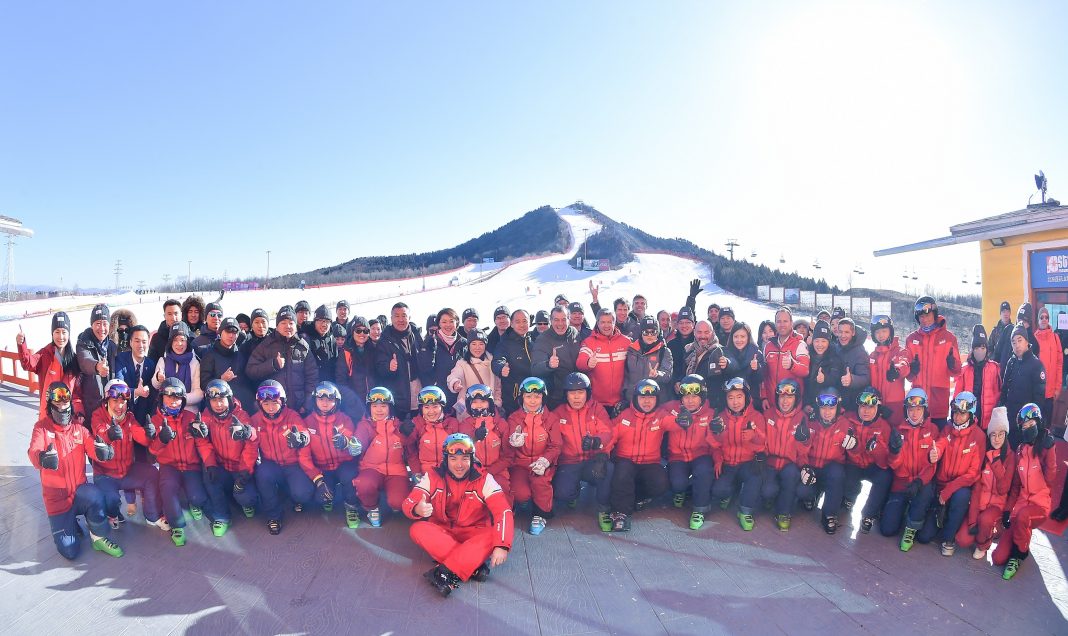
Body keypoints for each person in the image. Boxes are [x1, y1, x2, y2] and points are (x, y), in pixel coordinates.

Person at [404, 433, 513, 597]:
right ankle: (472, 566)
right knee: (417, 529)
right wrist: (417, 509)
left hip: (473, 532)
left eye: (465, 459)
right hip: (443, 531)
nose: (459, 465)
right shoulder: (432, 476)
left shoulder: (485, 479)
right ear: (445, 459)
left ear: (472, 458)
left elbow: (503, 511)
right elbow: (409, 502)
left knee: (495, 536)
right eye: (453, 459)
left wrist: (502, 545)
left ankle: (443, 572)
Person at [28, 382, 124, 559]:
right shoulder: (41, 428)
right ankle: (69, 522)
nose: (62, 408)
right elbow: (33, 452)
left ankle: (98, 537)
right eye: (58, 404)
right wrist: (42, 458)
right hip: (57, 499)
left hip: (79, 491)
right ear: (50, 405)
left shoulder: (79, 430)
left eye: (66, 404)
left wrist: (105, 448)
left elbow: (94, 448)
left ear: (70, 404)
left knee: (95, 495)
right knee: (70, 551)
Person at [992, 404, 1059, 580]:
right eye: (1024, 426)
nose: (1028, 428)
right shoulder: (1020, 451)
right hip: (1021, 507)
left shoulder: (1044, 447)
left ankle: (1019, 554)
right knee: (997, 558)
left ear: (1038, 422)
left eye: (1031, 424)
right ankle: (1022, 539)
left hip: (1039, 506)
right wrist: (1007, 510)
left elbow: (1051, 477)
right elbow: (1015, 486)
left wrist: (1051, 449)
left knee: (1023, 519)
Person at [89, 379, 165, 532]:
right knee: (112, 500)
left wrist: (152, 433)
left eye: (123, 402)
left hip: (127, 471)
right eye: (115, 400)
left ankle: (152, 515)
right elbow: (99, 433)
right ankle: (112, 514)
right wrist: (109, 434)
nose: (119, 406)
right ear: (106, 400)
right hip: (106, 474)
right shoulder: (98, 415)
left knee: (152, 474)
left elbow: (141, 437)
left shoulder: (129, 418)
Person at [916, 391, 986, 555]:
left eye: (962, 413)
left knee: (962, 496)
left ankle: (949, 539)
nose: (957, 417)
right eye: (955, 412)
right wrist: (934, 454)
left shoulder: (979, 437)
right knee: (924, 537)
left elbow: (973, 473)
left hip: (959, 488)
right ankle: (940, 515)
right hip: (941, 486)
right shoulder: (947, 429)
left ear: (970, 414)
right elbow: (940, 444)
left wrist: (948, 491)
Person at [150, 378, 212, 546]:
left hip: (191, 467)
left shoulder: (191, 417)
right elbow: (152, 452)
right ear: (161, 398)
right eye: (168, 397)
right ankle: (176, 525)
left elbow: (203, 444)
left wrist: (210, 464)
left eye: (177, 398)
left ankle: (194, 501)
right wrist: (161, 440)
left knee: (197, 497)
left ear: (183, 400)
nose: (173, 401)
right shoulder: (156, 421)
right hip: (169, 466)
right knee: (168, 488)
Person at [880, 388, 942, 552]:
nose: (914, 414)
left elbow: (931, 465)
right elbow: (894, 465)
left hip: (921, 483)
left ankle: (911, 529)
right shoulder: (898, 430)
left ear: (925, 410)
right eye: (911, 409)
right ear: (906, 410)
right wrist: (893, 453)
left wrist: (919, 481)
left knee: (925, 492)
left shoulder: (933, 430)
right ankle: (902, 509)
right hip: (901, 483)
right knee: (887, 530)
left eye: (919, 409)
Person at [550, 372, 614, 531]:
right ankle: (574, 491)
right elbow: (552, 441)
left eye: (580, 392)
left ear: (588, 393)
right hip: (569, 462)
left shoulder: (596, 409)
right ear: (566, 395)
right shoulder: (558, 413)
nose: (576, 397)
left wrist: (597, 444)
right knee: (562, 493)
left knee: (608, 469)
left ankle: (603, 508)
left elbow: (607, 432)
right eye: (572, 393)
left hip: (592, 460)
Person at [250, 379, 315, 535]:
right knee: (262, 475)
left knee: (303, 494)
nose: (271, 408)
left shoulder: (292, 416)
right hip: (271, 464)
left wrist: (301, 438)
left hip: (293, 465)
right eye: (266, 404)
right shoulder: (256, 419)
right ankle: (273, 516)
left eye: (274, 403)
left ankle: (293, 495)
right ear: (260, 405)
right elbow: (250, 443)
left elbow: (303, 431)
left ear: (282, 402)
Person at [605, 379, 671, 532]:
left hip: (650, 462)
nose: (647, 401)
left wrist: (683, 420)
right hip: (625, 459)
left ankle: (637, 498)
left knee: (661, 483)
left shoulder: (661, 416)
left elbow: (673, 422)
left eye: (651, 398)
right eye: (642, 398)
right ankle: (620, 513)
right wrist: (603, 454)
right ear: (635, 398)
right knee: (622, 474)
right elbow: (610, 436)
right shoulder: (625, 415)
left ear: (657, 399)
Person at [662, 374, 722, 530]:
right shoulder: (671, 408)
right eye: (686, 396)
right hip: (677, 456)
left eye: (695, 396)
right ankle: (681, 490)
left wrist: (717, 437)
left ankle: (699, 509)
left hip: (700, 455)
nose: (690, 400)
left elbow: (715, 444)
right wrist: (675, 421)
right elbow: (654, 415)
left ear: (702, 397)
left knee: (704, 471)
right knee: (678, 484)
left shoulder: (710, 414)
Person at [200, 379, 260, 532]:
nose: (218, 404)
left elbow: (252, 444)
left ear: (229, 399)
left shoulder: (241, 416)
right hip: (221, 465)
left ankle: (246, 503)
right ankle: (222, 516)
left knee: (246, 497)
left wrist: (245, 471)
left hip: (239, 467)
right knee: (208, 475)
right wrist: (210, 463)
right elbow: (202, 442)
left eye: (222, 400)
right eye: (214, 400)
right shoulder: (206, 415)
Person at [954, 406, 1014, 560]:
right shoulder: (983, 455)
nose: (997, 438)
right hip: (979, 506)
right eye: (993, 434)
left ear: (1006, 435)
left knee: (986, 520)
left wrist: (996, 465)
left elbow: (1004, 489)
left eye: (1001, 434)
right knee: (962, 540)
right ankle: (980, 530)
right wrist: (973, 520)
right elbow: (976, 488)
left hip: (996, 508)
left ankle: (984, 543)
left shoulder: (1010, 457)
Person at [303, 381, 363, 529]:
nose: (325, 403)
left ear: (337, 401)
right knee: (321, 498)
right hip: (323, 468)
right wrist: (318, 480)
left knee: (350, 477)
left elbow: (352, 440)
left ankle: (351, 507)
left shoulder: (344, 419)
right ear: (314, 401)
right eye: (321, 399)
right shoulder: (307, 422)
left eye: (330, 400)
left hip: (343, 464)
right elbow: (304, 456)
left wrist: (345, 442)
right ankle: (328, 496)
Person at [709, 377, 767, 531]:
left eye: (739, 397)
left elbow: (764, 445)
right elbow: (714, 445)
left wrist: (754, 435)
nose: (735, 402)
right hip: (728, 463)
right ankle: (731, 492)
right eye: (731, 398)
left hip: (748, 463)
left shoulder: (757, 417)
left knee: (755, 477)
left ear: (747, 397)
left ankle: (746, 511)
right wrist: (718, 459)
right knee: (718, 490)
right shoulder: (720, 417)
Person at [353, 386, 416, 527]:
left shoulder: (398, 425)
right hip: (372, 468)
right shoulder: (366, 425)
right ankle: (371, 507)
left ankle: (391, 498)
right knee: (365, 484)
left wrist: (408, 433)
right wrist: (354, 444)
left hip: (396, 471)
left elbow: (410, 448)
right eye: (375, 406)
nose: (379, 410)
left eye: (383, 406)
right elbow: (359, 439)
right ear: (369, 407)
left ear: (390, 408)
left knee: (398, 502)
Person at [796, 387, 856, 534]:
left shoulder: (845, 425)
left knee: (837, 474)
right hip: (813, 467)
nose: (827, 412)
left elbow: (854, 455)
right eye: (823, 408)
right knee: (802, 491)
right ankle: (811, 495)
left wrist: (856, 446)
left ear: (837, 408)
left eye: (831, 408)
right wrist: (803, 466)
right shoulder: (809, 421)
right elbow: (801, 448)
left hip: (831, 468)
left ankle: (829, 514)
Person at [505, 377, 561, 535]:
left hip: (541, 462)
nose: (532, 401)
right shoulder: (514, 418)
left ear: (543, 397)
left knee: (540, 484)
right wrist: (513, 442)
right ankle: (526, 501)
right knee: (520, 493)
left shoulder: (551, 418)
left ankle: (541, 514)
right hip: (520, 463)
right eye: (528, 396)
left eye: (537, 396)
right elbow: (507, 446)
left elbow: (556, 445)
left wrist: (545, 460)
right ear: (522, 397)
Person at [246, 306, 317, 417]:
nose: (288, 326)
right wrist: (273, 365)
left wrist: (307, 403)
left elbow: (312, 377)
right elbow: (251, 370)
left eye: (291, 323)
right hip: (273, 408)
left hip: (298, 408)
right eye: (283, 323)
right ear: (277, 325)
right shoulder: (266, 345)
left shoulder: (303, 347)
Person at [843, 387, 894, 534]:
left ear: (878, 407)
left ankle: (868, 515)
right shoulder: (848, 418)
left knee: (885, 477)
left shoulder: (884, 426)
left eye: (871, 407)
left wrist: (876, 448)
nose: (866, 411)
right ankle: (849, 497)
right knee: (844, 473)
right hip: (853, 463)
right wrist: (856, 449)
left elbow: (884, 462)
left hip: (872, 465)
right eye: (863, 406)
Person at [761, 378, 809, 532]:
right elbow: (761, 439)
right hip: (770, 462)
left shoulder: (802, 418)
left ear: (796, 399)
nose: (785, 401)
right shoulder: (768, 414)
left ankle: (784, 512)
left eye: (789, 397)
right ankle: (771, 497)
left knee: (791, 477)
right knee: (767, 491)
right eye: (782, 397)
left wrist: (804, 466)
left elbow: (804, 448)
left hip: (790, 464)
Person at [904, 296, 961, 428]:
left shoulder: (949, 338)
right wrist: (911, 371)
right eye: (921, 317)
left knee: (937, 446)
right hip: (917, 405)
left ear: (934, 315)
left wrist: (953, 364)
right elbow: (909, 376)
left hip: (938, 403)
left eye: (928, 315)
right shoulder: (911, 340)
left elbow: (957, 372)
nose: (925, 320)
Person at [17, 311, 82, 420]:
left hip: (68, 417)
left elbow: (76, 393)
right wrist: (21, 345)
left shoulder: (74, 360)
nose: (60, 336)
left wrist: (79, 412)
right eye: (57, 332)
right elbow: (27, 363)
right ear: (52, 334)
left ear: (69, 334)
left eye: (64, 332)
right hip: (48, 415)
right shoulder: (44, 354)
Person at [457, 384, 514, 499]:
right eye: (474, 402)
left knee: (501, 490)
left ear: (490, 403)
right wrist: (474, 437)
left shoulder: (500, 424)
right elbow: (462, 451)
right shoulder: (465, 425)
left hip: (497, 471)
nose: (479, 406)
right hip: (474, 471)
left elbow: (508, 456)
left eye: (483, 401)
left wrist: (490, 472)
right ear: (469, 404)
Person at [999, 323, 1047, 448]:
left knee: (1024, 457)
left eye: (1020, 340)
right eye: (1013, 342)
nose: (1017, 345)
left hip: (1026, 421)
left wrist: (1034, 423)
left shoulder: (1036, 365)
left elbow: (1039, 399)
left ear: (1027, 341)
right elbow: (1004, 389)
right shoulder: (1011, 362)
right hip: (1010, 419)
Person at [576, 309, 631, 410]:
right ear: (597, 323)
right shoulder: (589, 342)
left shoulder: (626, 342)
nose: (606, 326)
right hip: (597, 403)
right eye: (603, 322)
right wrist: (588, 362)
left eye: (610, 322)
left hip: (621, 401)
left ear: (614, 322)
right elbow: (580, 362)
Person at [374, 302, 422, 416]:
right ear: (391, 318)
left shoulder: (416, 336)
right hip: (398, 400)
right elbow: (379, 369)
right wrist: (388, 367)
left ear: (409, 318)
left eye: (404, 315)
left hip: (419, 398)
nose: (401, 319)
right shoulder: (384, 341)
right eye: (397, 316)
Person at [530, 306, 582, 410]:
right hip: (557, 396)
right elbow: (535, 369)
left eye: (563, 319)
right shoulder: (543, 339)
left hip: (577, 391)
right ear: (551, 320)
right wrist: (548, 364)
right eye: (556, 320)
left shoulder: (574, 333)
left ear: (569, 319)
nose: (560, 324)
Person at [952, 325, 1001, 430]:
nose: (980, 351)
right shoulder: (965, 369)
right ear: (973, 350)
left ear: (987, 349)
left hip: (988, 421)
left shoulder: (994, 368)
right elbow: (957, 396)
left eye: (983, 348)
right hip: (968, 419)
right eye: (977, 348)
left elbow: (998, 395)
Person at [762, 307, 810, 411]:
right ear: (775, 323)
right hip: (772, 404)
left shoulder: (799, 344)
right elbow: (764, 375)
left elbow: (805, 370)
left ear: (791, 323)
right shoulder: (768, 346)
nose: (782, 324)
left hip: (792, 405)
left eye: (785, 321)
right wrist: (764, 396)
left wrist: (792, 365)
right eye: (779, 321)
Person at [447, 329, 501, 418]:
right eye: (474, 344)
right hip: (467, 410)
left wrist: (497, 403)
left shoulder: (492, 363)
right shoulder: (462, 363)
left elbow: (498, 386)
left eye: (481, 344)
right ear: (468, 346)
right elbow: (454, 375)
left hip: (488, 409)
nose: (477, 347)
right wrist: (455, 383)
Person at [151, 322, 204, 412]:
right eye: (175, 340)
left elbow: (199, 394)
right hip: (165, 411)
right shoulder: (163, 360)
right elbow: (155, 385)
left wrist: (179, 400)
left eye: (183, 340)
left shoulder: (195, 363)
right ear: (170, 342)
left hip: (189, 412)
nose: (179, 344)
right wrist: (158, 378)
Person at [868, 315, 909, 426]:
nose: (881, 335)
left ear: (890, 332)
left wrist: (897, 371)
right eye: (877, 332)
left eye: (884, 331)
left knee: (894, 438)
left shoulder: (899, 351)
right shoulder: (872, 356)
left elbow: (904, 363)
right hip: (875, 404)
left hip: (894, 405)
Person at [492, 309, 535, 416]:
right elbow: (497, 360)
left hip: (534, 393)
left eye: (524, 321)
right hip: (514, 397)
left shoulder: (532, 340)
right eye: (518, 321)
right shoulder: (505, 342)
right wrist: (501, 368)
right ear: (511, 324)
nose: (522, 325)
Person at [410, 386, 460, 476]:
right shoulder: (417, 424)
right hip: (426, 473)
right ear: (421, 409)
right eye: (426, 407)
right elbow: (410, 449)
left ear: (442, 407)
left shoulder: (452, 423)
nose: (431, 411)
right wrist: (416, 472)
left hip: (449, 472)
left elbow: (464, 446)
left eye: (435, 406)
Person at [622, 317, 673, 404]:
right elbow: (626, 375)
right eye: (646, 332)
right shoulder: (631, 350)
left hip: (654, 401)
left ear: (658, 333)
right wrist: (625, 394)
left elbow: (667, 375)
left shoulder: (664, 351)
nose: (649, 335)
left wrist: (657, 374)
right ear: (641, 333)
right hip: (633, 400)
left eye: (653, 332)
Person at [76, 303, 115, 418]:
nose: (102, 328)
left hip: (110, 406)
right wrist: (97, 366)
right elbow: (85, 361)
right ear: (91, 325)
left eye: (104, 324)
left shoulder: (112, 346)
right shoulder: (83, 343)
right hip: (91, 406)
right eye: (97, 324)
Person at [681, 320, 727, 411]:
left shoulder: (720, 351)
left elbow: (730, 370)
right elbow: (682, 371)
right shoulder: (688, 349)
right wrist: (678, 381)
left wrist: (727, 364)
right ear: (694, 332)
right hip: (689, 403)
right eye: (699, 332)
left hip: (710, 406)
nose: (702, 336)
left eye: (706, 332)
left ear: (712, 333)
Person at [337, 315, 376, 417]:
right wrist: (351, 400)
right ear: (352, 332)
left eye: (365, 331)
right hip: (353, 405)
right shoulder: (346, 352)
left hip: (373, 402)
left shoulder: (374, 350)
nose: (362, 334)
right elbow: (341, 380)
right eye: (358, 330)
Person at [234, 308, 271, 412]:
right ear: (252, 325)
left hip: (274, 392)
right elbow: (242, 372)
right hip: (253, 393)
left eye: (263, 322)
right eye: (256, 322)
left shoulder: (275, 340)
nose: (260, 326)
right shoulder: (246, 344)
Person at [723, 323, 765, 411]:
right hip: (730, 402)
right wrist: (724, 365)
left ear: (748, 337)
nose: (739, 340)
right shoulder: (725, 353)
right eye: (736, 336)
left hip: (751, 401)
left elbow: (761, 378)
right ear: (732, 337)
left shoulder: (757, 354)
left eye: (742, 336)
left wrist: (757, 368)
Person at [804, 321, 842, 414]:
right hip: (809, 404)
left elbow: (835, 379)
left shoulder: (834, 358)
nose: (820, 345)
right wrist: (806, 404)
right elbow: (804, 384)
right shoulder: (807, 356)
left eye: (823, 341)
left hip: (827, 408)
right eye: (817, 341)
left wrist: (824, 379)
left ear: (829, 342)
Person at [197, 317, 242, 394]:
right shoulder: (209, 354)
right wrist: (221, 379)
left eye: (234, 332)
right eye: (228, 331)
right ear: (220, 332)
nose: (231, 335)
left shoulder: (241, 355)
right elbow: (203, 384)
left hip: (238, 401)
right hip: (216, 401)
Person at [834, 318, 871, 408]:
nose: (843, 335)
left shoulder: (860, 352)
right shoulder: (836, 347)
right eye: (840, 332)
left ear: (853, 333)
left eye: (847, 332)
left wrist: (852, 379)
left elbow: (866, 377)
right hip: (837, 396)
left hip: (852, 400)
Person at [1034, 306, 1063, 419]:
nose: (1044, 319)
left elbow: (1059, 364)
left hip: (1051, 392)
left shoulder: (1055, 338)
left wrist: (1057, 388)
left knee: (1048, 424)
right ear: (1038, 320)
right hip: (1037, 392)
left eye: (1046, 317)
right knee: (1036, 423)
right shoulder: (1033, 339)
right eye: (1041, 317)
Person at [667, 306, 697, 383]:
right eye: (681, 323)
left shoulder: (698, 343)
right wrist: (675, 382)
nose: (684, 326)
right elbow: (669, 369)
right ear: (677, 325)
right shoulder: (671, 345)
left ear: (693, 324)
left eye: (688, 322)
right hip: (675, 388)